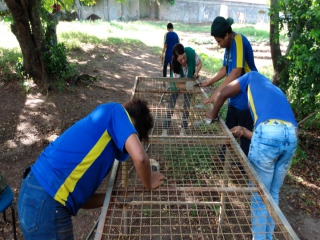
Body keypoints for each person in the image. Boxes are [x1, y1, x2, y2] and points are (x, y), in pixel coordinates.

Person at [17, 98, 167, 239]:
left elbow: (80, 198)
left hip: (35, 192)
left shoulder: (101, 147)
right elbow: (140, 157)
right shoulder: (116, 111)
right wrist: (149, 182)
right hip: (47, 200)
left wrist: (109, 199)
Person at [205, 71, 298, 240]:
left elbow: (224, 92)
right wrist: (246, 132)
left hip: (268, 133)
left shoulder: (250, 77)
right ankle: (267, 237)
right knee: (273, 193)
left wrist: (212, 115)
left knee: (259, 195)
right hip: (291, 135)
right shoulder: (274, 90)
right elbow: (275, 133)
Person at [202, 16, 258, 159]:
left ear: (227, 35)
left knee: (244, 134)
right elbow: (225, 69)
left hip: (246, 96)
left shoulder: (238, 40)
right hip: (234, 96)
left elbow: (236, 71)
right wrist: (209, 82)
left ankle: (242, 169)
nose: (218, 44)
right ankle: (222, 158)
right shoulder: (228, 46)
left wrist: (217, 93)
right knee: (229, 129)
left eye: (219, 41)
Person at [162, 43, 202, 136]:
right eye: (180, 59)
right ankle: (165, 129)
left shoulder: (191, 53)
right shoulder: (174, 66)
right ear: (176, 59)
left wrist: (196, 72)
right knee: (171, 104)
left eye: (184, 57)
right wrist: (191, 85)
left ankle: (183, 129)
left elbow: (200, 62)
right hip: (179, 83)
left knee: (187, 106)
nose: (183, 61)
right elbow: (179, 85)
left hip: (189, 80)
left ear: (185, 53)